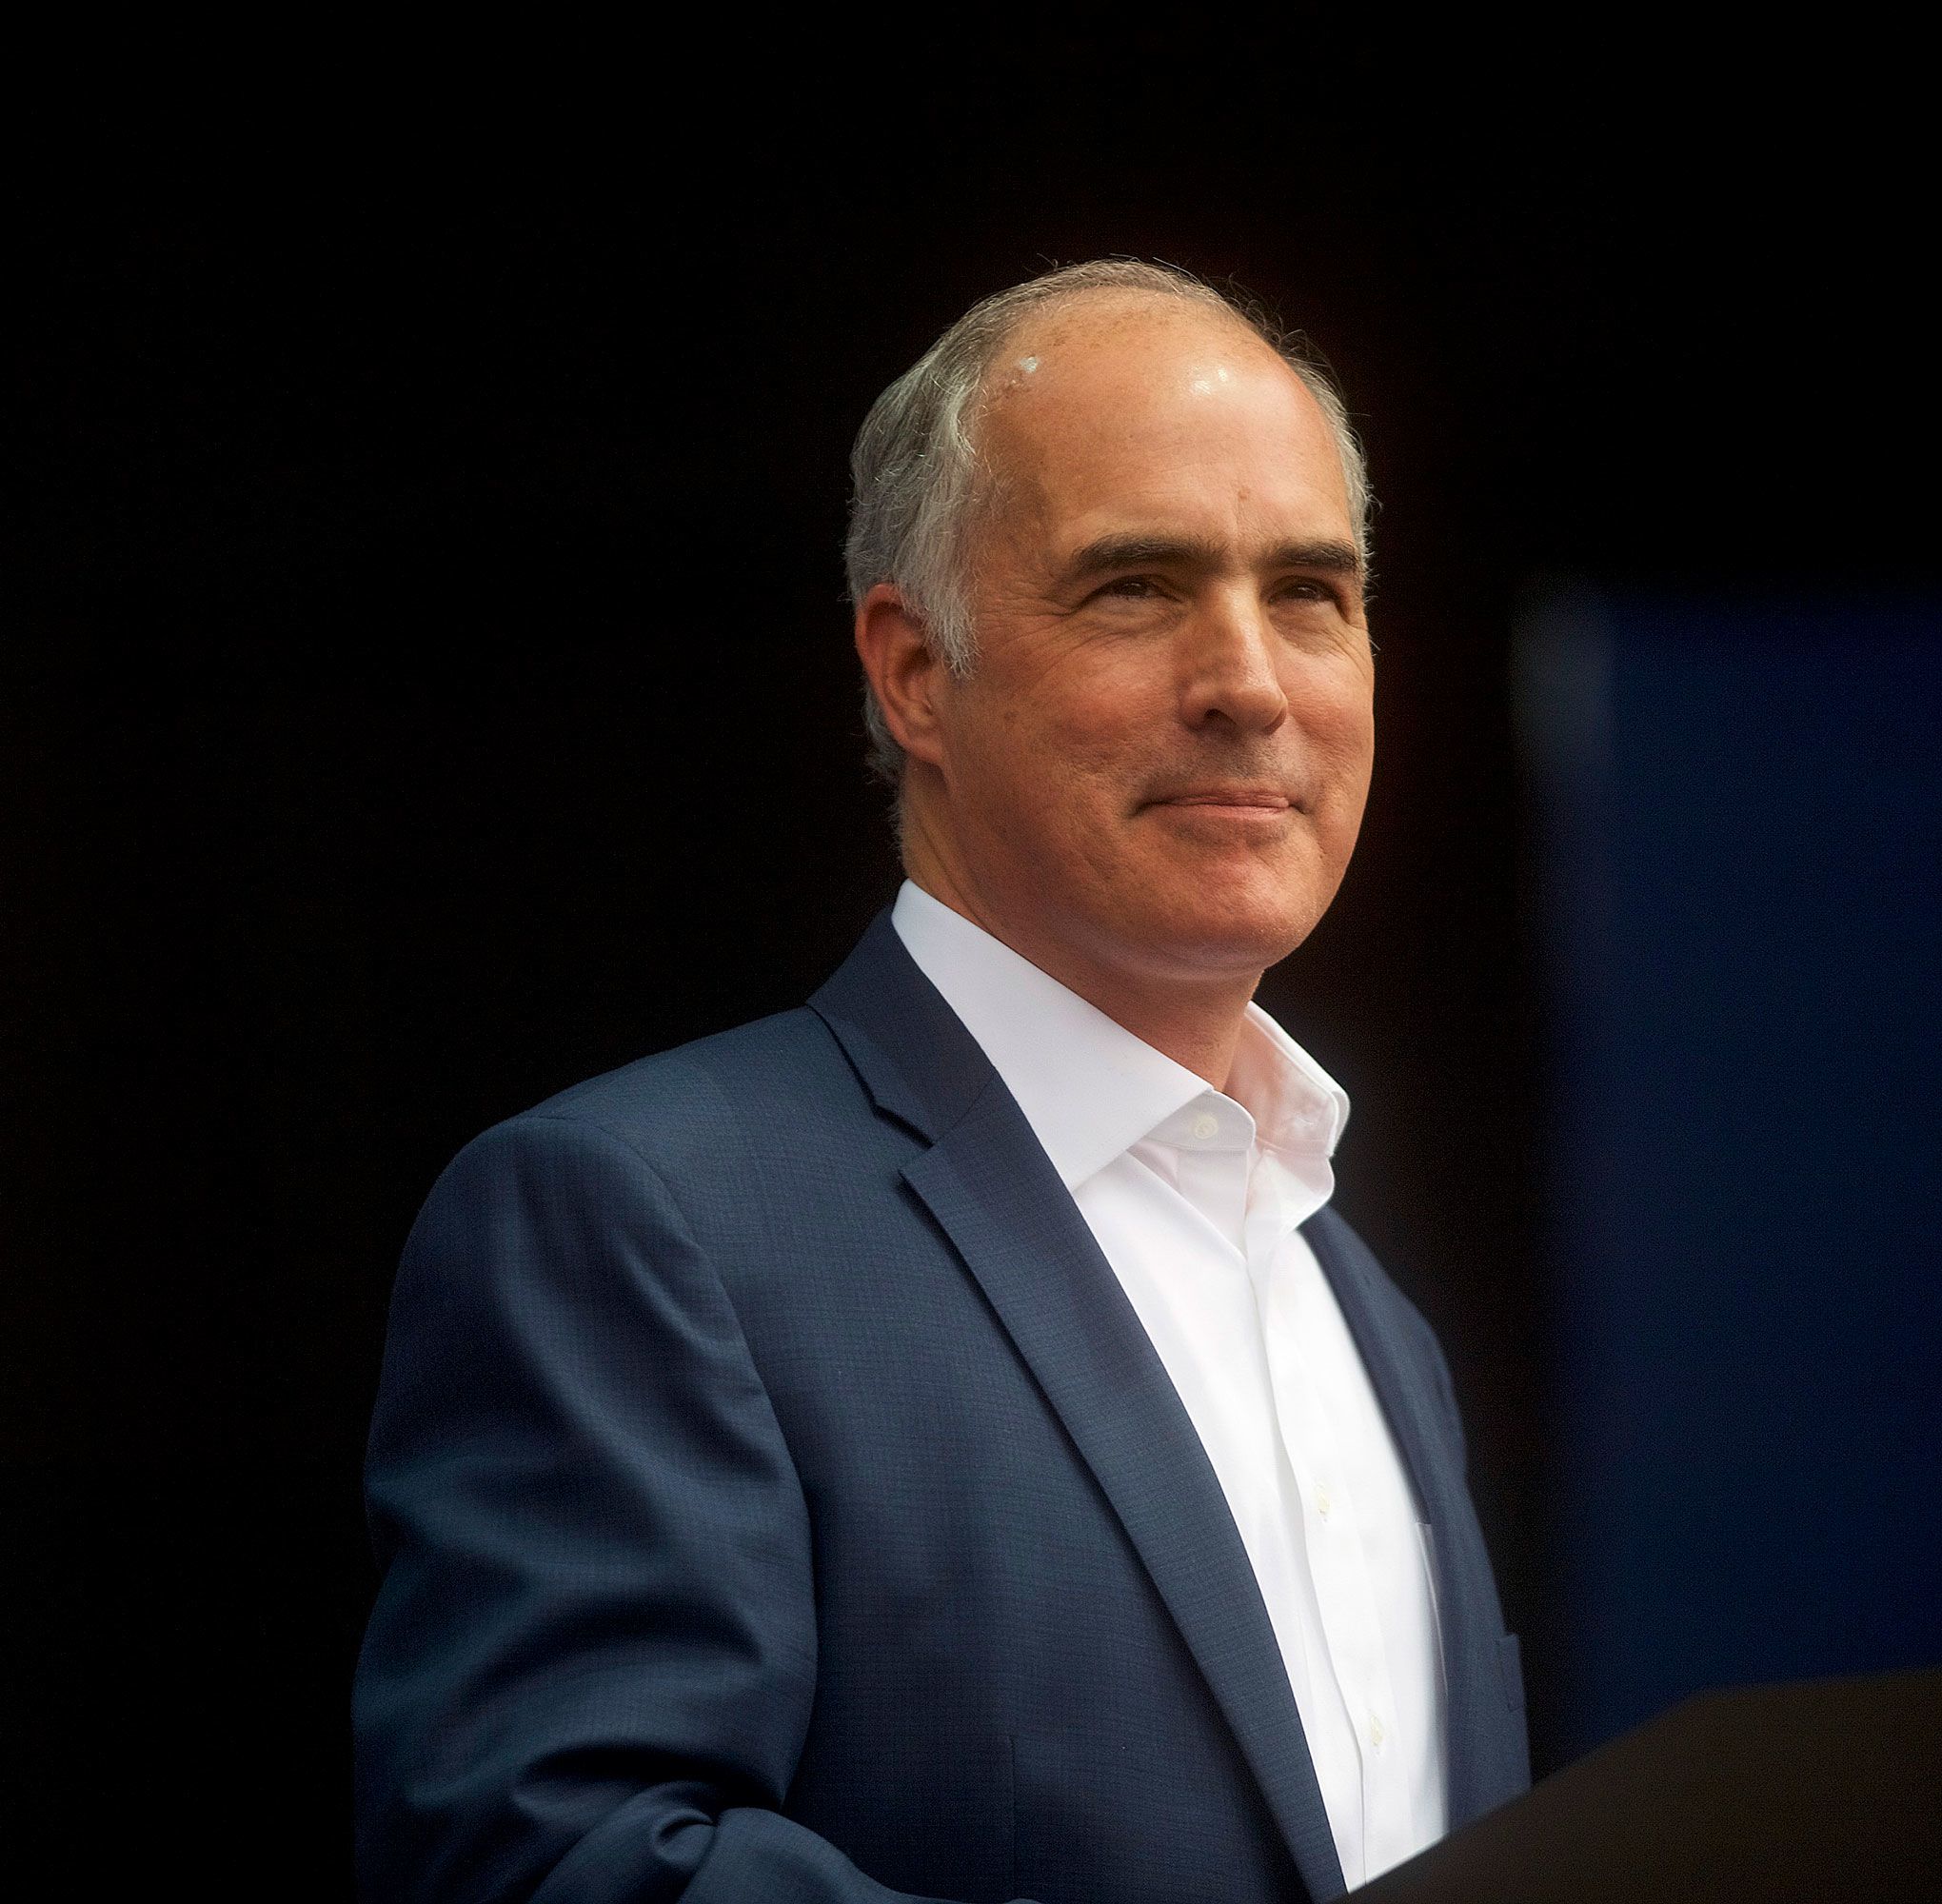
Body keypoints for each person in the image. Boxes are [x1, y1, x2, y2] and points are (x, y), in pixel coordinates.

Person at [352, 260, 1530, 1904]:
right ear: (914, 673)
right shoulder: (645, 1221)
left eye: (1313, 593)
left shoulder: (1365, 1306)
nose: (1251, 681)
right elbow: (547, 1864)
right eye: (1137, 585)